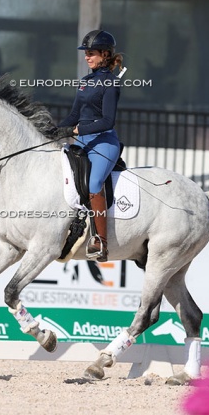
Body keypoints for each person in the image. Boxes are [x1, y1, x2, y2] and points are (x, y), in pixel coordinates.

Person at [54, 30, 124, 262]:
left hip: (103, 142)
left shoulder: (110, 83)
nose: (87, 57)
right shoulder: (85, 82)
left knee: (94, 183)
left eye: (91, 53)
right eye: (86, 53)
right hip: (82, 141)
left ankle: (100, 242)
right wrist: (54, 129)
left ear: (104, 54)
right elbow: (74, 114)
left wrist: (76, 131)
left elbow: (107, 120)